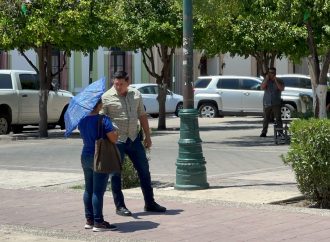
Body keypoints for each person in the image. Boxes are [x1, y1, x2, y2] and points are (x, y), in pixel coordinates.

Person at [101, 70, 166, 216]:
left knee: (144, 171)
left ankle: (150, 203)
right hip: (117, 140)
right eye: (116, 84)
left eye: (121, 84)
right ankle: (120, 206)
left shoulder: (136, 94)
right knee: (116, 174)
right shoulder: (106, 97)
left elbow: (142, 115)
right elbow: (102, 119)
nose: (118, 87)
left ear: (128, 82)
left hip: (134, 138)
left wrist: (147, 137)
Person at [78, 99, 118, 232]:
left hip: (85, 155)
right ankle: (98, 222)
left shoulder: (82, 120)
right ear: (99, 105)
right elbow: (113, 138)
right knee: (98, 191)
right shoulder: (103, 119)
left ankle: (89, 220)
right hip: (99, 156)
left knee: (88, 189)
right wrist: (116, 133)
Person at [260, 67, 285, 137]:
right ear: (268, 73)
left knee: (278, 118)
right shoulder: (266, 80)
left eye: (273, 73)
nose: (272, 74)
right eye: (270, 72)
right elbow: (262, 87)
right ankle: (264, 132)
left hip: (276, 102)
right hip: (267, 102)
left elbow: (281, 88)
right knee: (266, 118)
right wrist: (266, 79)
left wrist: (276, 80)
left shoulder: (279, 80)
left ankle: (280, 132)